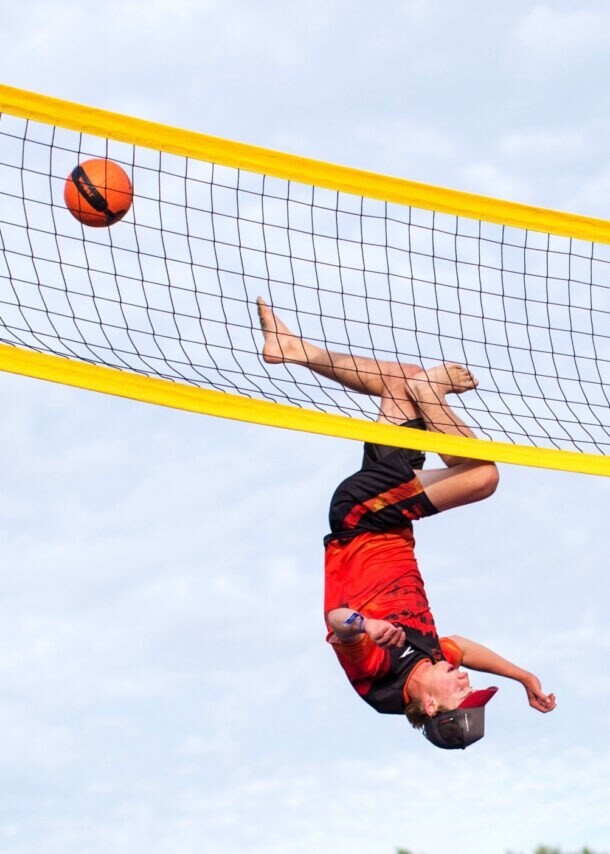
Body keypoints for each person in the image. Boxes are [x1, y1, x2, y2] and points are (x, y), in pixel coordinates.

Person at [257, 297, 556, 750]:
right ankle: (293, 349)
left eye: (464, 693)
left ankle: (431, 396)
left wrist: (365, 627)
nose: (465, 680)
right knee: (402, 380)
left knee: (483, 476)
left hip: (363, 519)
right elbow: (463, 646)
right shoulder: (434, 659)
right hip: (390, 519)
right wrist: (521, 675)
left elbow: (337, 622)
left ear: (432, 708)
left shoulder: (382, 681)